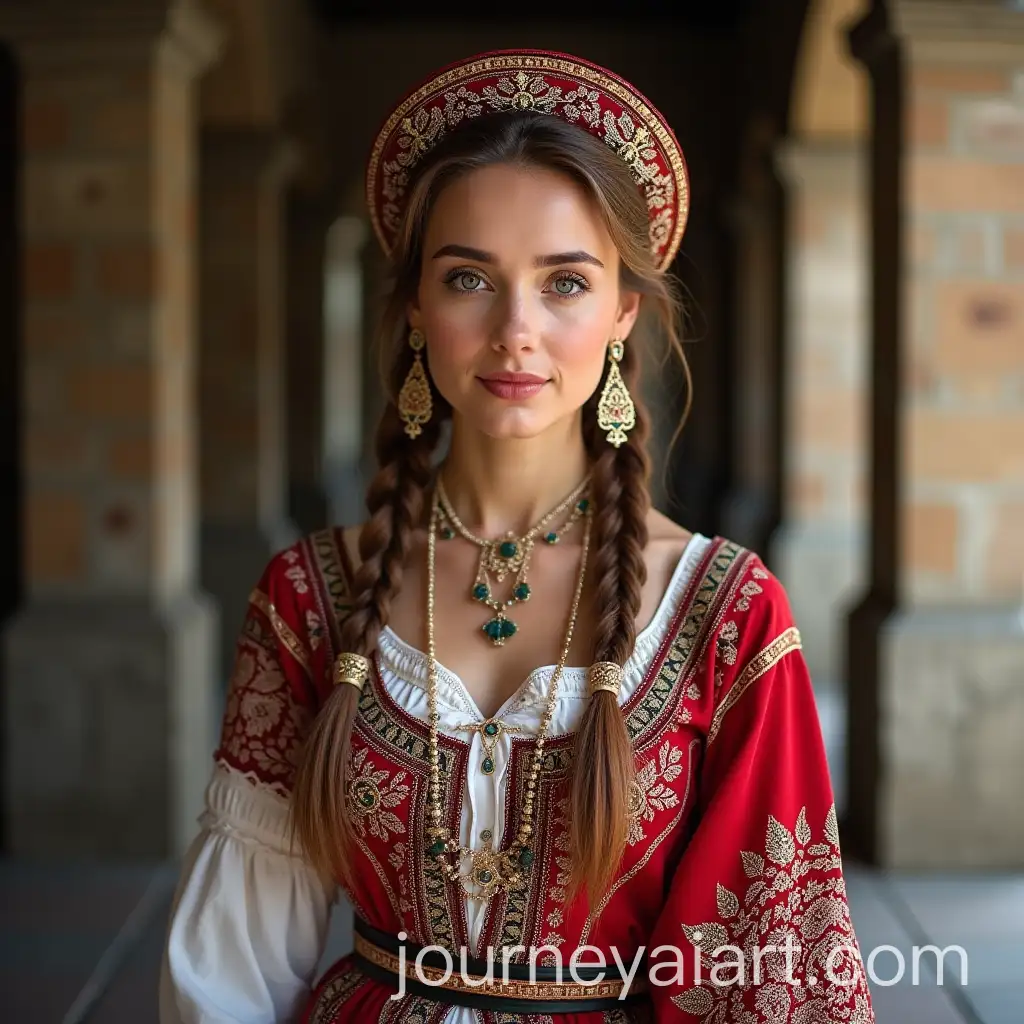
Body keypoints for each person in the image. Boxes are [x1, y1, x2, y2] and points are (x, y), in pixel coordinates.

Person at [160, 49, 875, 1024]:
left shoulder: (728, 614)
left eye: (566, 283)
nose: (515, 330)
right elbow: (229, 964)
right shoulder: (310, 594)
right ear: (415, 306)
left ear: (624, 311)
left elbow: (769, 971)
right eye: (468, 278)